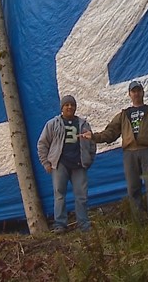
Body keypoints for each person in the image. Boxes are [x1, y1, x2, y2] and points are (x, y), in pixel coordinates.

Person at [82, 81, 148, 219]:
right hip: (130, 153)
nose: (136, 93)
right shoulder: (123, 115)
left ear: (143, 92)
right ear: (129, 94)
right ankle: (139, 222)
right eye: (133, 91)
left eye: (138, 90)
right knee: (133, 188)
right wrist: (93, 136)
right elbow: (110, 133)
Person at [37, 94, 97, 234]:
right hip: (60, 164)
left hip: (79, 164)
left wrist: (89, 159)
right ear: (62, 107)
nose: (70, 107)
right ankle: (60, 224)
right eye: (66, 105)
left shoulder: (83, 124)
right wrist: (46, 163)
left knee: (81, 195)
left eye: (72, 105)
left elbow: (92, 143)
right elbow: (42, 144)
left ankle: (83, 224)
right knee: (59, 194)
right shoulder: (53, 124)